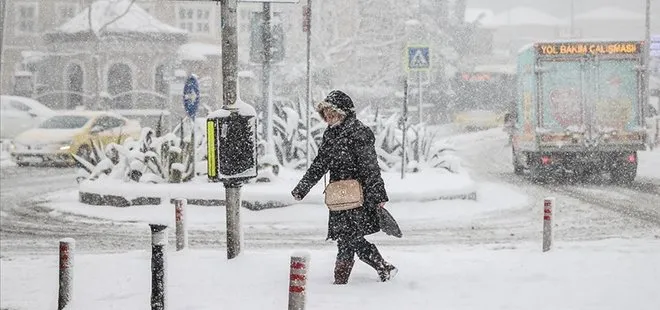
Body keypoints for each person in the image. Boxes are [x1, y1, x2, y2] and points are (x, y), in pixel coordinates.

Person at [291, 90, 397, 284]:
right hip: (339, 196)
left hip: (358, 195)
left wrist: (378, 195)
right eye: (326, 114)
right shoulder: (330, 134)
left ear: (344, 112)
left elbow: (370, 166)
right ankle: (379, 267)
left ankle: (344, 280)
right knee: (346, 238)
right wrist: (302, 188)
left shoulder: (359, 132)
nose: (329, 117)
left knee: (349, 238)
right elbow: (320, 163)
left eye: (333, 113)